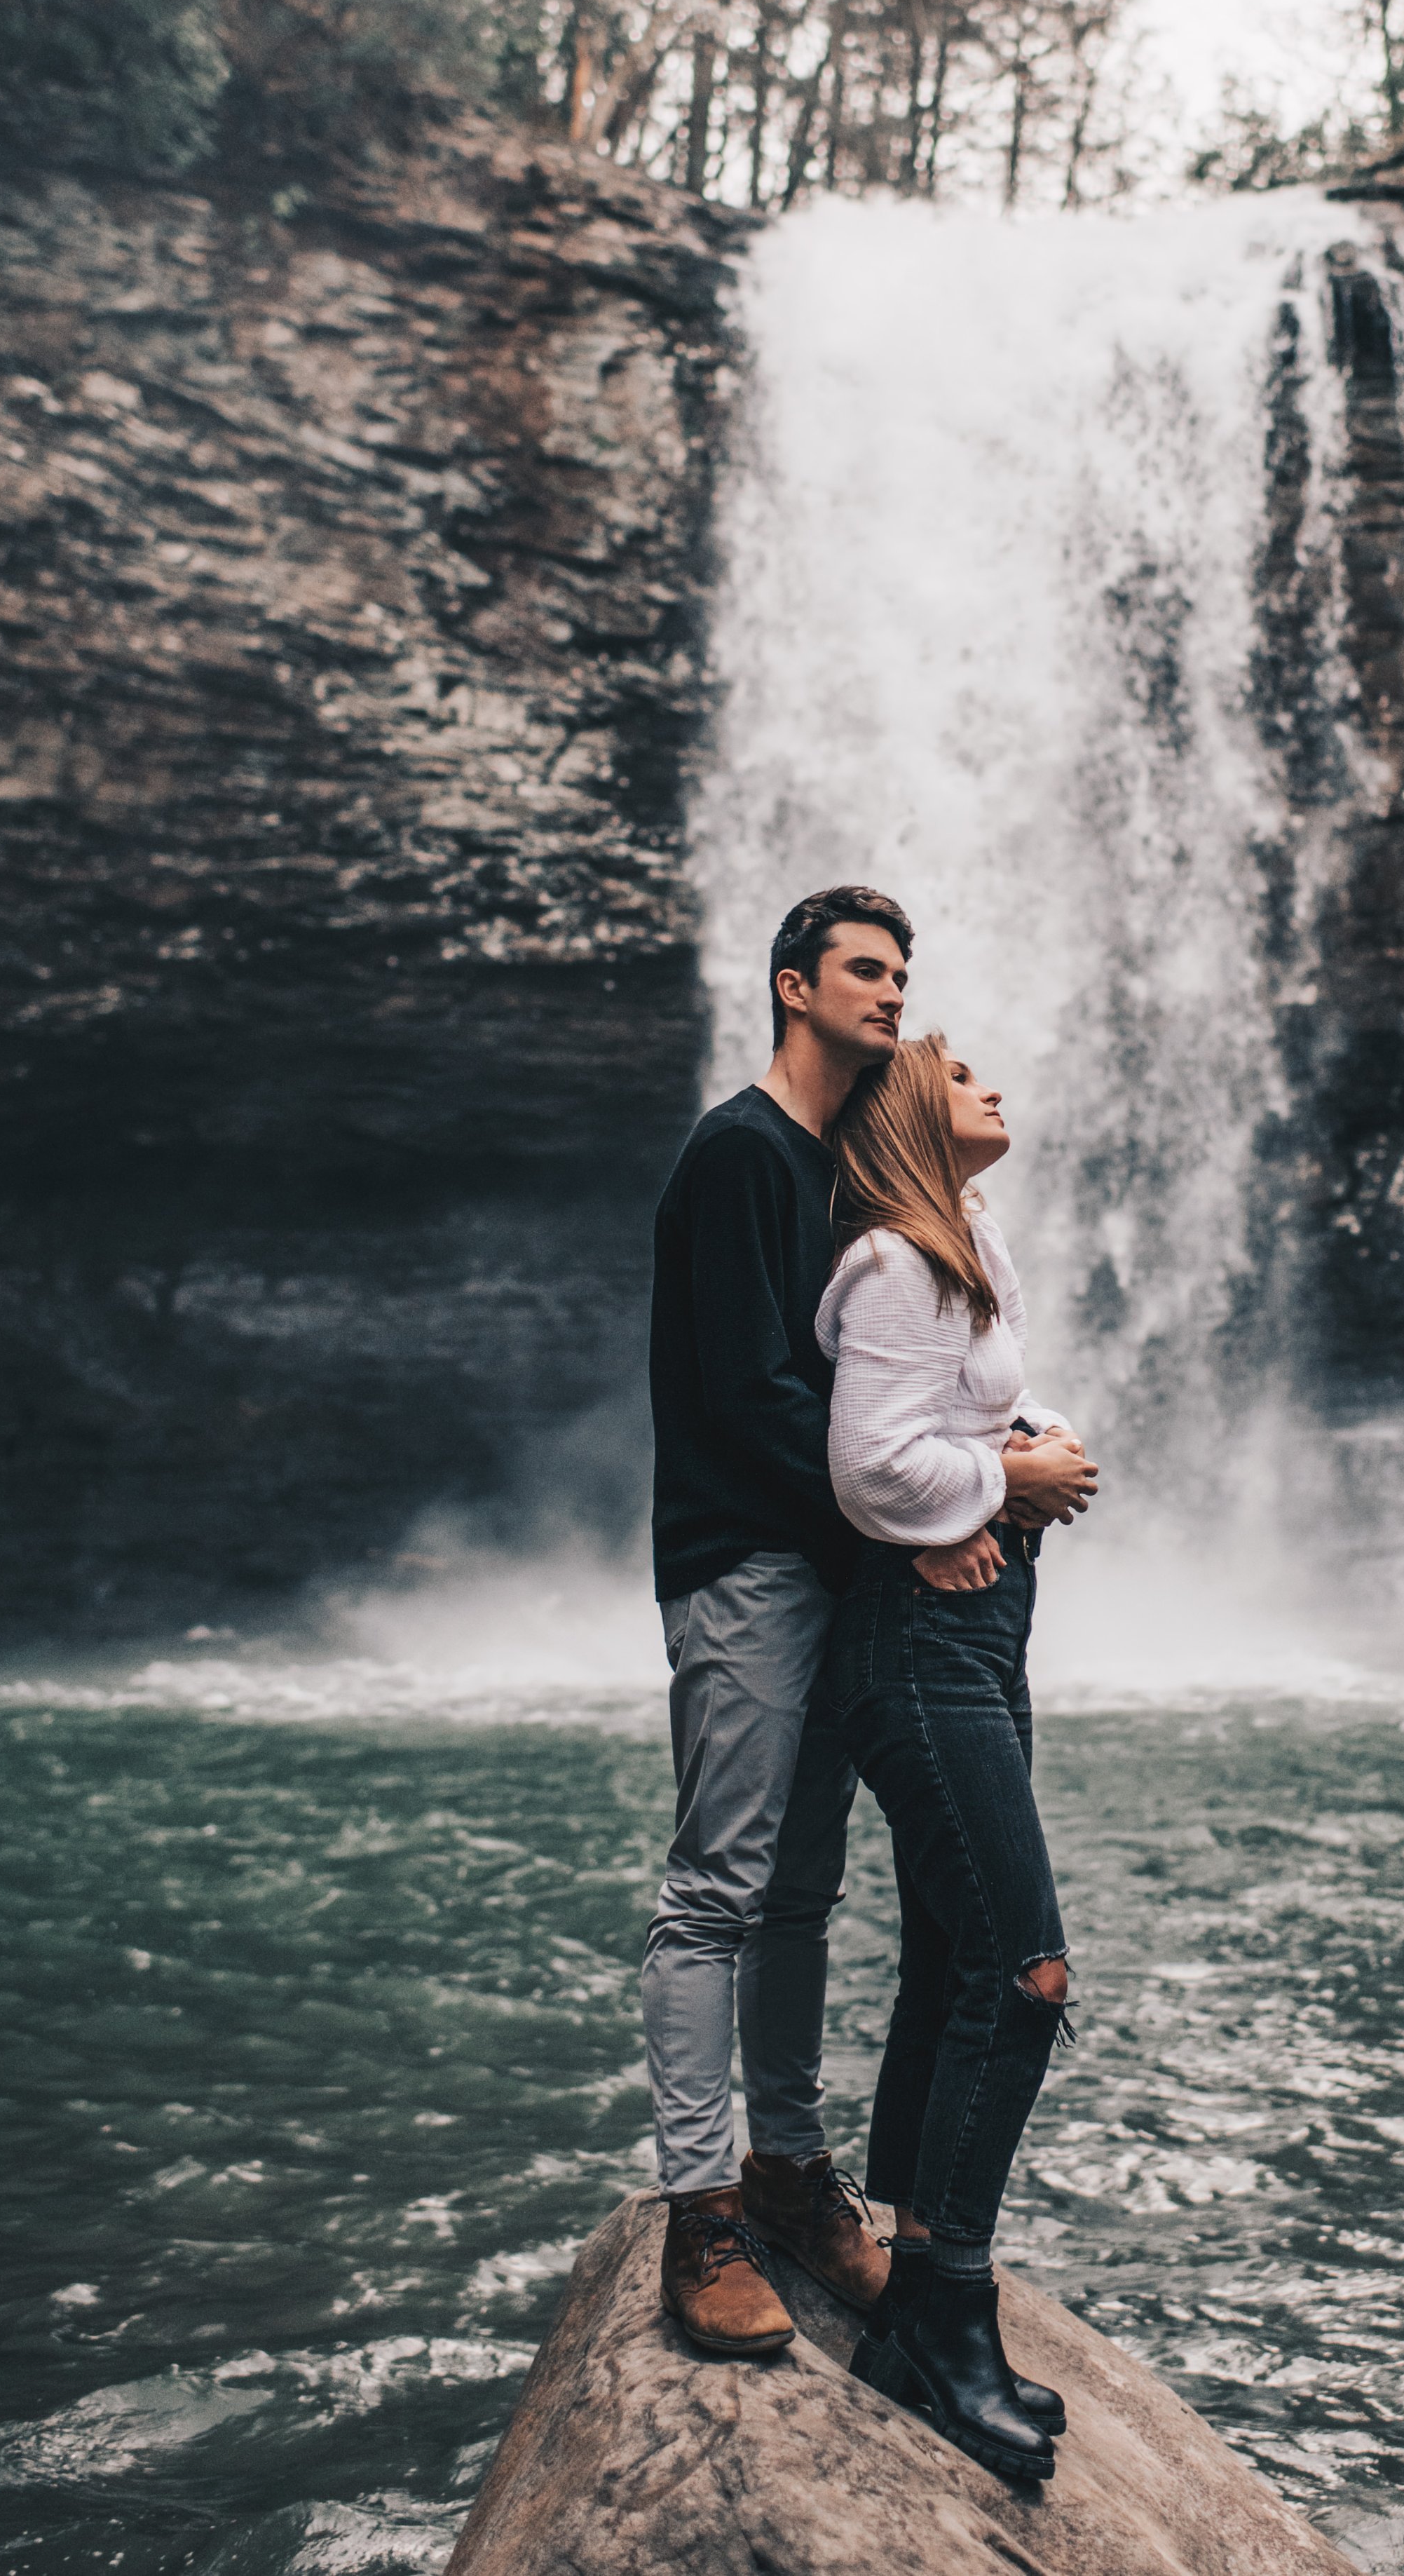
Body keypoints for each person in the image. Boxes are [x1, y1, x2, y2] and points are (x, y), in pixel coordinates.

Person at [811, 1034, 1099, 2481]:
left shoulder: (963, 1239)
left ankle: (918, 2311)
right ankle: (950, 2315)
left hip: (979, 1631)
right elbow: (871, 1467)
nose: (990, 1082)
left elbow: (954, 1416)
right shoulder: (890, 1261)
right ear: (910, 1114)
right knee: (1022, 1971)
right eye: (958, 1069)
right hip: (917, 1647)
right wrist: (1002, 1482)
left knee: (948, 1963)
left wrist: (1025, 1437)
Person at [643, 886, 918, 2357]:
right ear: (790, 986)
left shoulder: (843, 1168)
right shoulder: (742, 1153)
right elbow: (752, 1399)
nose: (888, 994)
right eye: (862, 972)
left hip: (830, 1566)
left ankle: (791, 2173)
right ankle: (699, 2210)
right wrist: (932, 1508)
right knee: (718, 1889)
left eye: (898, 974)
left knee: (804, 1890)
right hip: (748, 1562)